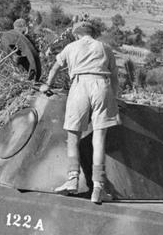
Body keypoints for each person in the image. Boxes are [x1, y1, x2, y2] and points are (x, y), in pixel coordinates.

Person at [39, 19, 120, 204]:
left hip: (79, 85)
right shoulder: (105, 47)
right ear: (93, 32)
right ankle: (98, 188)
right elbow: (115, 76)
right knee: (99, 139)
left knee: (73, 136)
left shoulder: (71, 47)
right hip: (102, 86)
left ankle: (72, 179)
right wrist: (114, 98)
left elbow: (55, 67)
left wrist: (47, 85)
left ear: (76, 33)